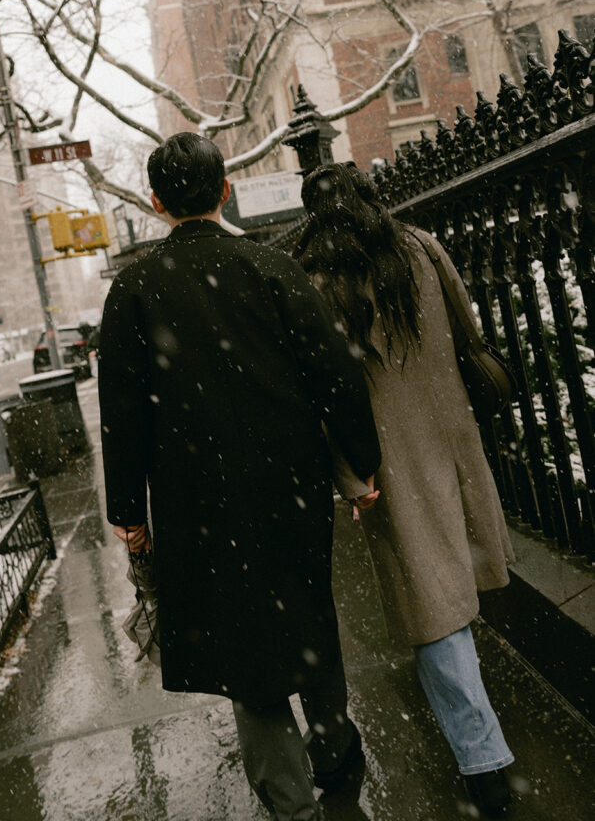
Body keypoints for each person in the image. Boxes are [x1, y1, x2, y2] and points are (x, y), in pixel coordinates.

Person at [98, 133, 382, 821]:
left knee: (244, 647)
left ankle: (289, 802)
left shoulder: (134, 289)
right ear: (224, 189)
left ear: (158, 203)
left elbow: (122, 410)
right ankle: (335, 756)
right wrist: (361, 465)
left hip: (195, 496)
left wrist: (128, 509)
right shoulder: (270, 269)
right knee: (306, 615)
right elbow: (335, 374)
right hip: (287, 480)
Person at [293, 162, 515, 819]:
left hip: (389, 462)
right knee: (452, 601)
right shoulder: (419, 247)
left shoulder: (318, 283)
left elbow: (324, 394)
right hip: (449, 437)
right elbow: (467, 329)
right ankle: (484, 760)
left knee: (434, 616)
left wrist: (348, 478)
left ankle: (484, 766)